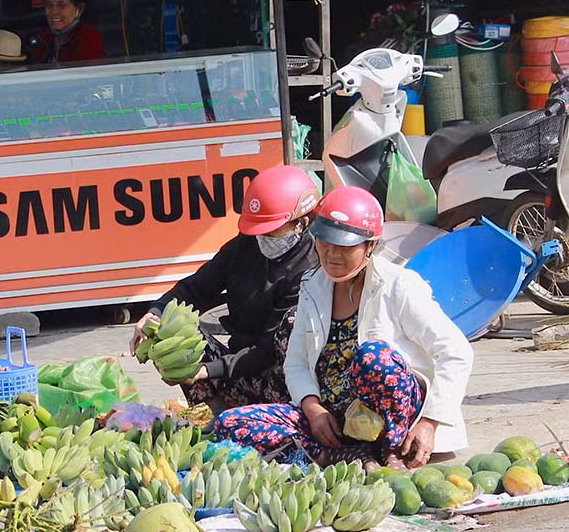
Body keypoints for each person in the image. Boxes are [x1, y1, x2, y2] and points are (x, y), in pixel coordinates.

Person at [215, 186, 473, 469]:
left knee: (374, 358)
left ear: (370, 245)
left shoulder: (399, 285)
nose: (332, 254)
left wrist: (430, 422)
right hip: (336, 420)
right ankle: (337, 456)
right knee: (230, 424)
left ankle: (392, 450)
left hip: (390, 417)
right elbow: (297, 363)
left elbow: (456, 352)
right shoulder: (312, 286)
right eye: (325, 242)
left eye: (345, 246)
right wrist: (313, 410)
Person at [129, 165, 320, 414]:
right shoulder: (244, 248)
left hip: (280, 378)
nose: (262, 237)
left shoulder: (310, 270)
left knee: (290, 326)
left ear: (300, 224)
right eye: (258, 230)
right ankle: (214, 412)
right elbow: (195, 289)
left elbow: (267, 351)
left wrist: (207, 371)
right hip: (236, 368)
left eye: (270, 230)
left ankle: (257, 416)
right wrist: (155, 313)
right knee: (174, 329)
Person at [29, 0, 106, 65]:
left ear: (79, 9)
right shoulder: (44, 37)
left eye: (62, 6)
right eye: (49, 5)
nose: (54, 12)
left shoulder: (89, 37)